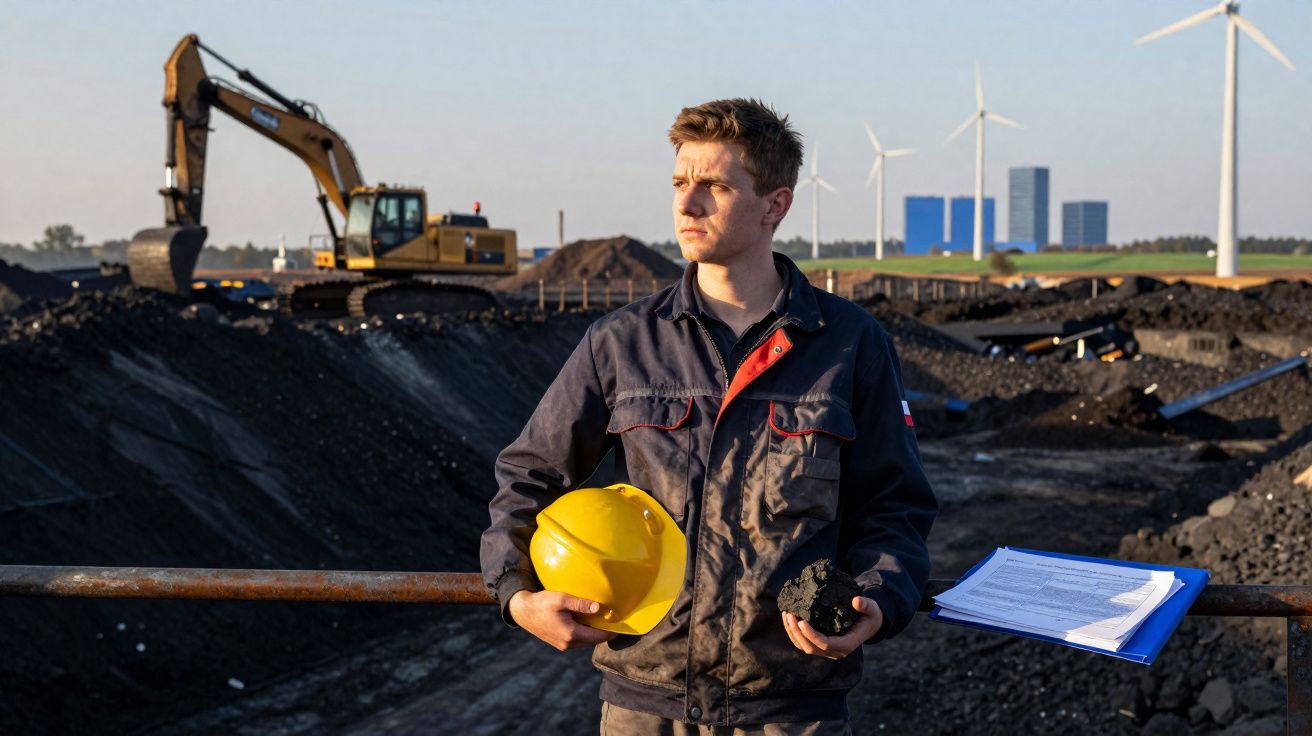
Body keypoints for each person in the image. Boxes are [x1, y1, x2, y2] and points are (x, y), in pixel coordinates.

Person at [481, 98, 937, 734]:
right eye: (679, 183)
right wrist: (517, 594)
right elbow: (528, 475)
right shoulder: (622, 343)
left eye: (715, 186)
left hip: (789, 710)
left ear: (775, 205)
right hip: (646, 705)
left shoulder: (850, 344)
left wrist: (880, 599)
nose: (686, 205)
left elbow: (896, 505)